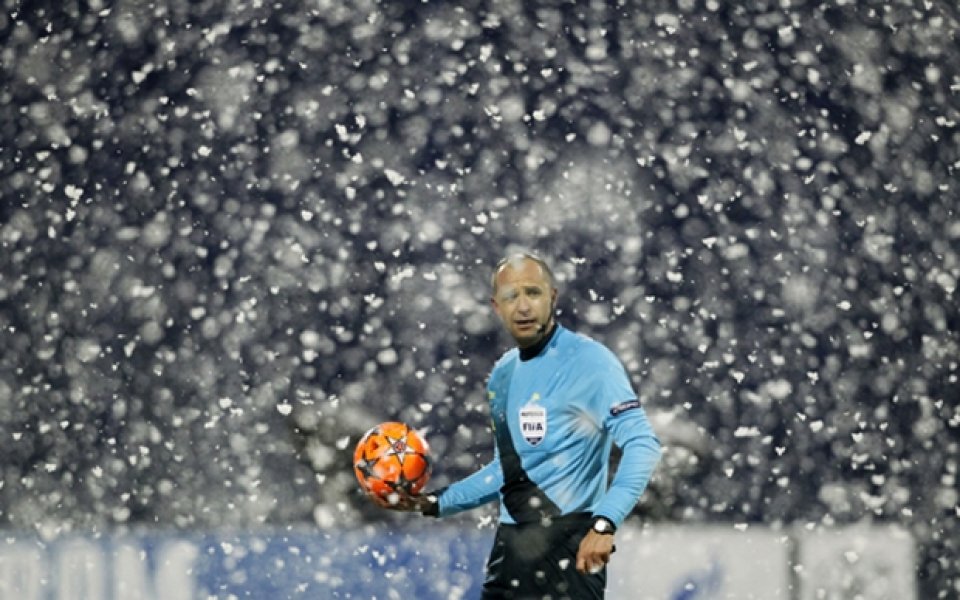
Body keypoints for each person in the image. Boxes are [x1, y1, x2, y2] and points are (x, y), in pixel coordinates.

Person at [369, 251, 661, 599]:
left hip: (570, 548)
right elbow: (509, 471)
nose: (523, 307)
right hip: (511, 553)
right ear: (496, 307)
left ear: (553, 297)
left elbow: (643, 444)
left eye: (533, 293)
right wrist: (432, 503)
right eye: (511, 296)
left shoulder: (590, 362)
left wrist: (605, 522)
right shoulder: (503, 376)